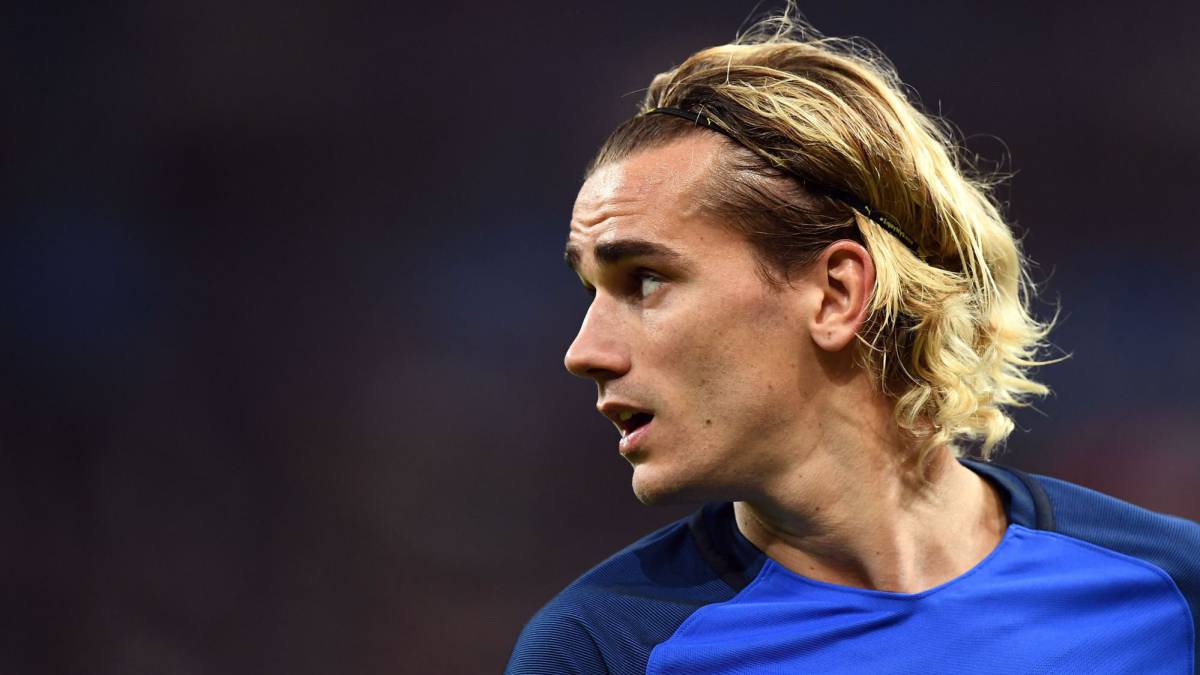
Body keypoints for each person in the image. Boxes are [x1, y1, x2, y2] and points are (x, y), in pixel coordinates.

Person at [507, 10, 1200, 674]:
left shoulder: (1172, 590)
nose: (584, 351)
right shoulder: (601, 650)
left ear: (836, 293)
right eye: (591, 290)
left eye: (646, 280)